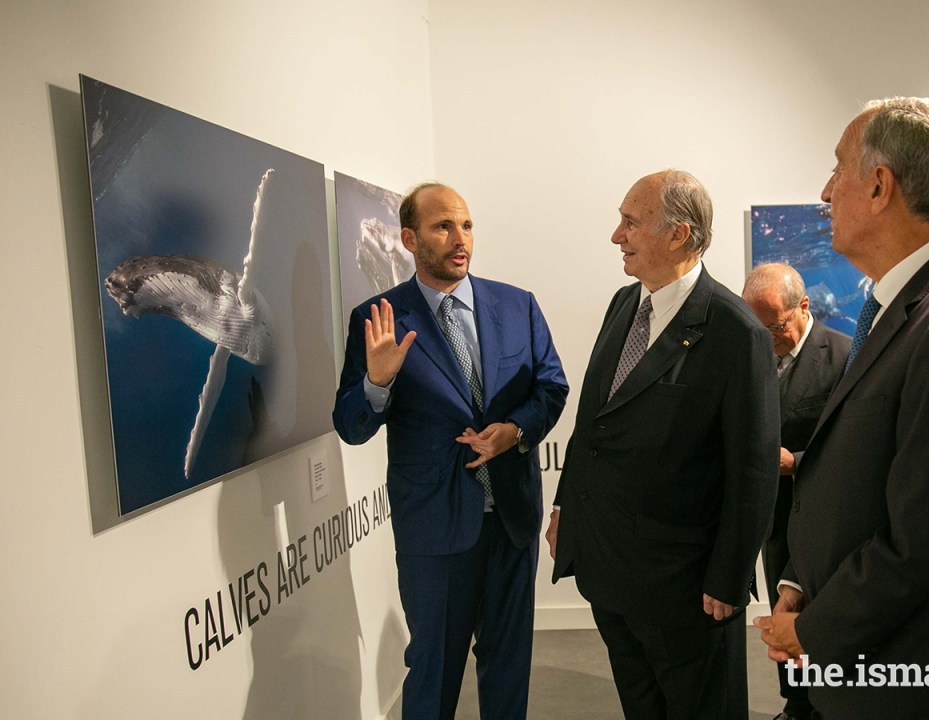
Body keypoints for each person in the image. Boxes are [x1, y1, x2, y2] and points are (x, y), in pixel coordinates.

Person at [755, 97, 929, 719]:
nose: (825, 191)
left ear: (880, 186)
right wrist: (800, 581)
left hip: (905, 679)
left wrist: (815, 628)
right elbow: (861, 478)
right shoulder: (912, 306)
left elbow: (926, 537)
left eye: (838, 169)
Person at [546, 169, 780, 719]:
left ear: (678, 235)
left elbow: (752, 470)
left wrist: (729, 577)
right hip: (610, 573)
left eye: (630, 222)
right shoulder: (624, 304)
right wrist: (566, 508)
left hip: (684, 589)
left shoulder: (736, 332)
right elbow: (593, 423)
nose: (616, 235)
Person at [333, 182, 568, 720]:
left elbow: (551, 388)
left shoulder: (517, 305)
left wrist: (514, 431)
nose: (460, 239)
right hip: (435, 529)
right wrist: (376, 383)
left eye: (466, 225)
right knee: (434, 672)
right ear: (410, 238)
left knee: (509, 667)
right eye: (443, 227)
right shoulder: (379, 317)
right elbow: (350, 425)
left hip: (511, 518)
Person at [742, 263, 850, 720]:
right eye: (757, 328)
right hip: (774, 520)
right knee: (781, 623)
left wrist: (796, 464)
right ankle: (797, 705)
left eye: (774, 326)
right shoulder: (753, 354)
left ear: (803, 307)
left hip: (828, 520)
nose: (766, 338)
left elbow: (853, 448)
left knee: (821, 625)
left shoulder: (845, 356)